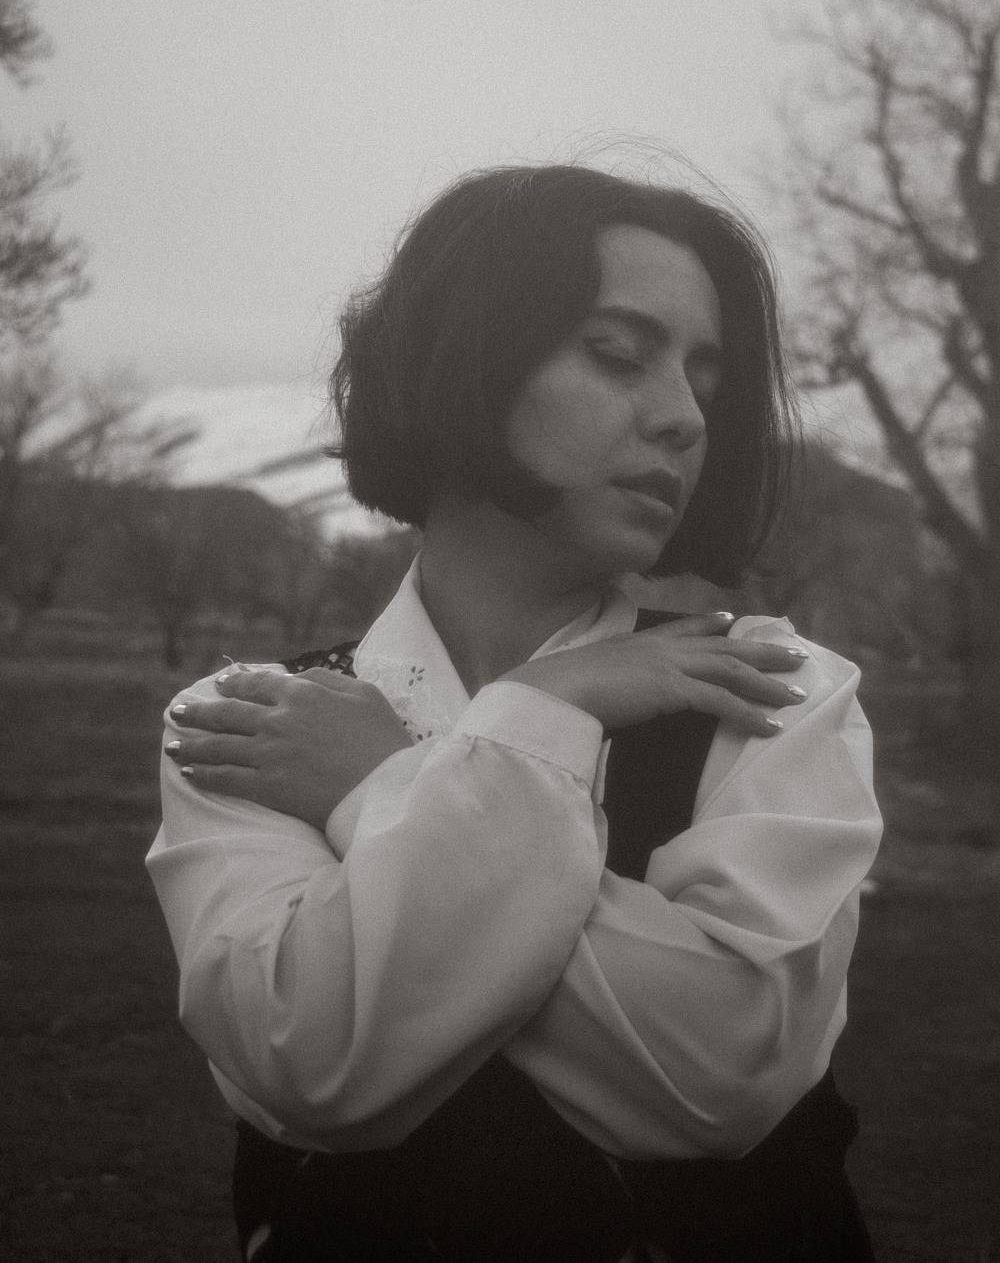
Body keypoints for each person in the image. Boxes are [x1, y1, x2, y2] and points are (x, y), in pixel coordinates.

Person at [147, 163, 882, 1262]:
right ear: (464, 359)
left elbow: (722, 1079)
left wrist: (386, 783)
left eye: (705, 381)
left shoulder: (774, 691)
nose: (685, 418)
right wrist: (547, 710)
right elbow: (305, 1060)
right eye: (618, 355)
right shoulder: (242, 718)